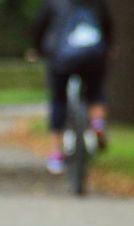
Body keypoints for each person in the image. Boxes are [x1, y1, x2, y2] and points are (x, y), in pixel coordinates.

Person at [31, 0, 113, 175]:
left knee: (58, 100)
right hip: (93, 57)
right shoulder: (96, 3)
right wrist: (110, 48)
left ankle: (56, 152)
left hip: (61, 59)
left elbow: (40, 26)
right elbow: (107, 25)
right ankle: (98, 124)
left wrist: (36, 49)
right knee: (95, 92)